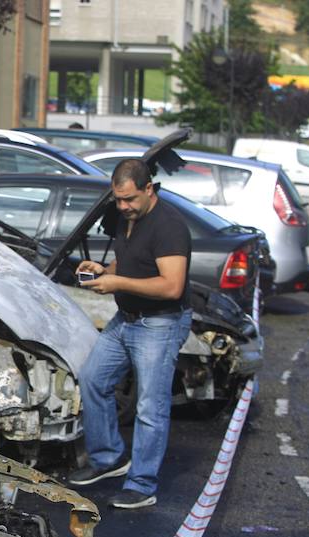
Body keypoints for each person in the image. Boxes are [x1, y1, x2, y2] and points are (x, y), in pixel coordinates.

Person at [67, 158, 193, 509]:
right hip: (126, 318)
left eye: (129, 200)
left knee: (150, 407)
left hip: (160, 323)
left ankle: (142, 484)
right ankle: (108, 459)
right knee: (93, 379)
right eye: (118, 200)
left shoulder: (168, 225)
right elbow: (131, 261)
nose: (122, 207)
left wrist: (116, 282)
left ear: (148, 189)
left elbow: (171, 285)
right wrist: (103, 270)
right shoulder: (128, 219)